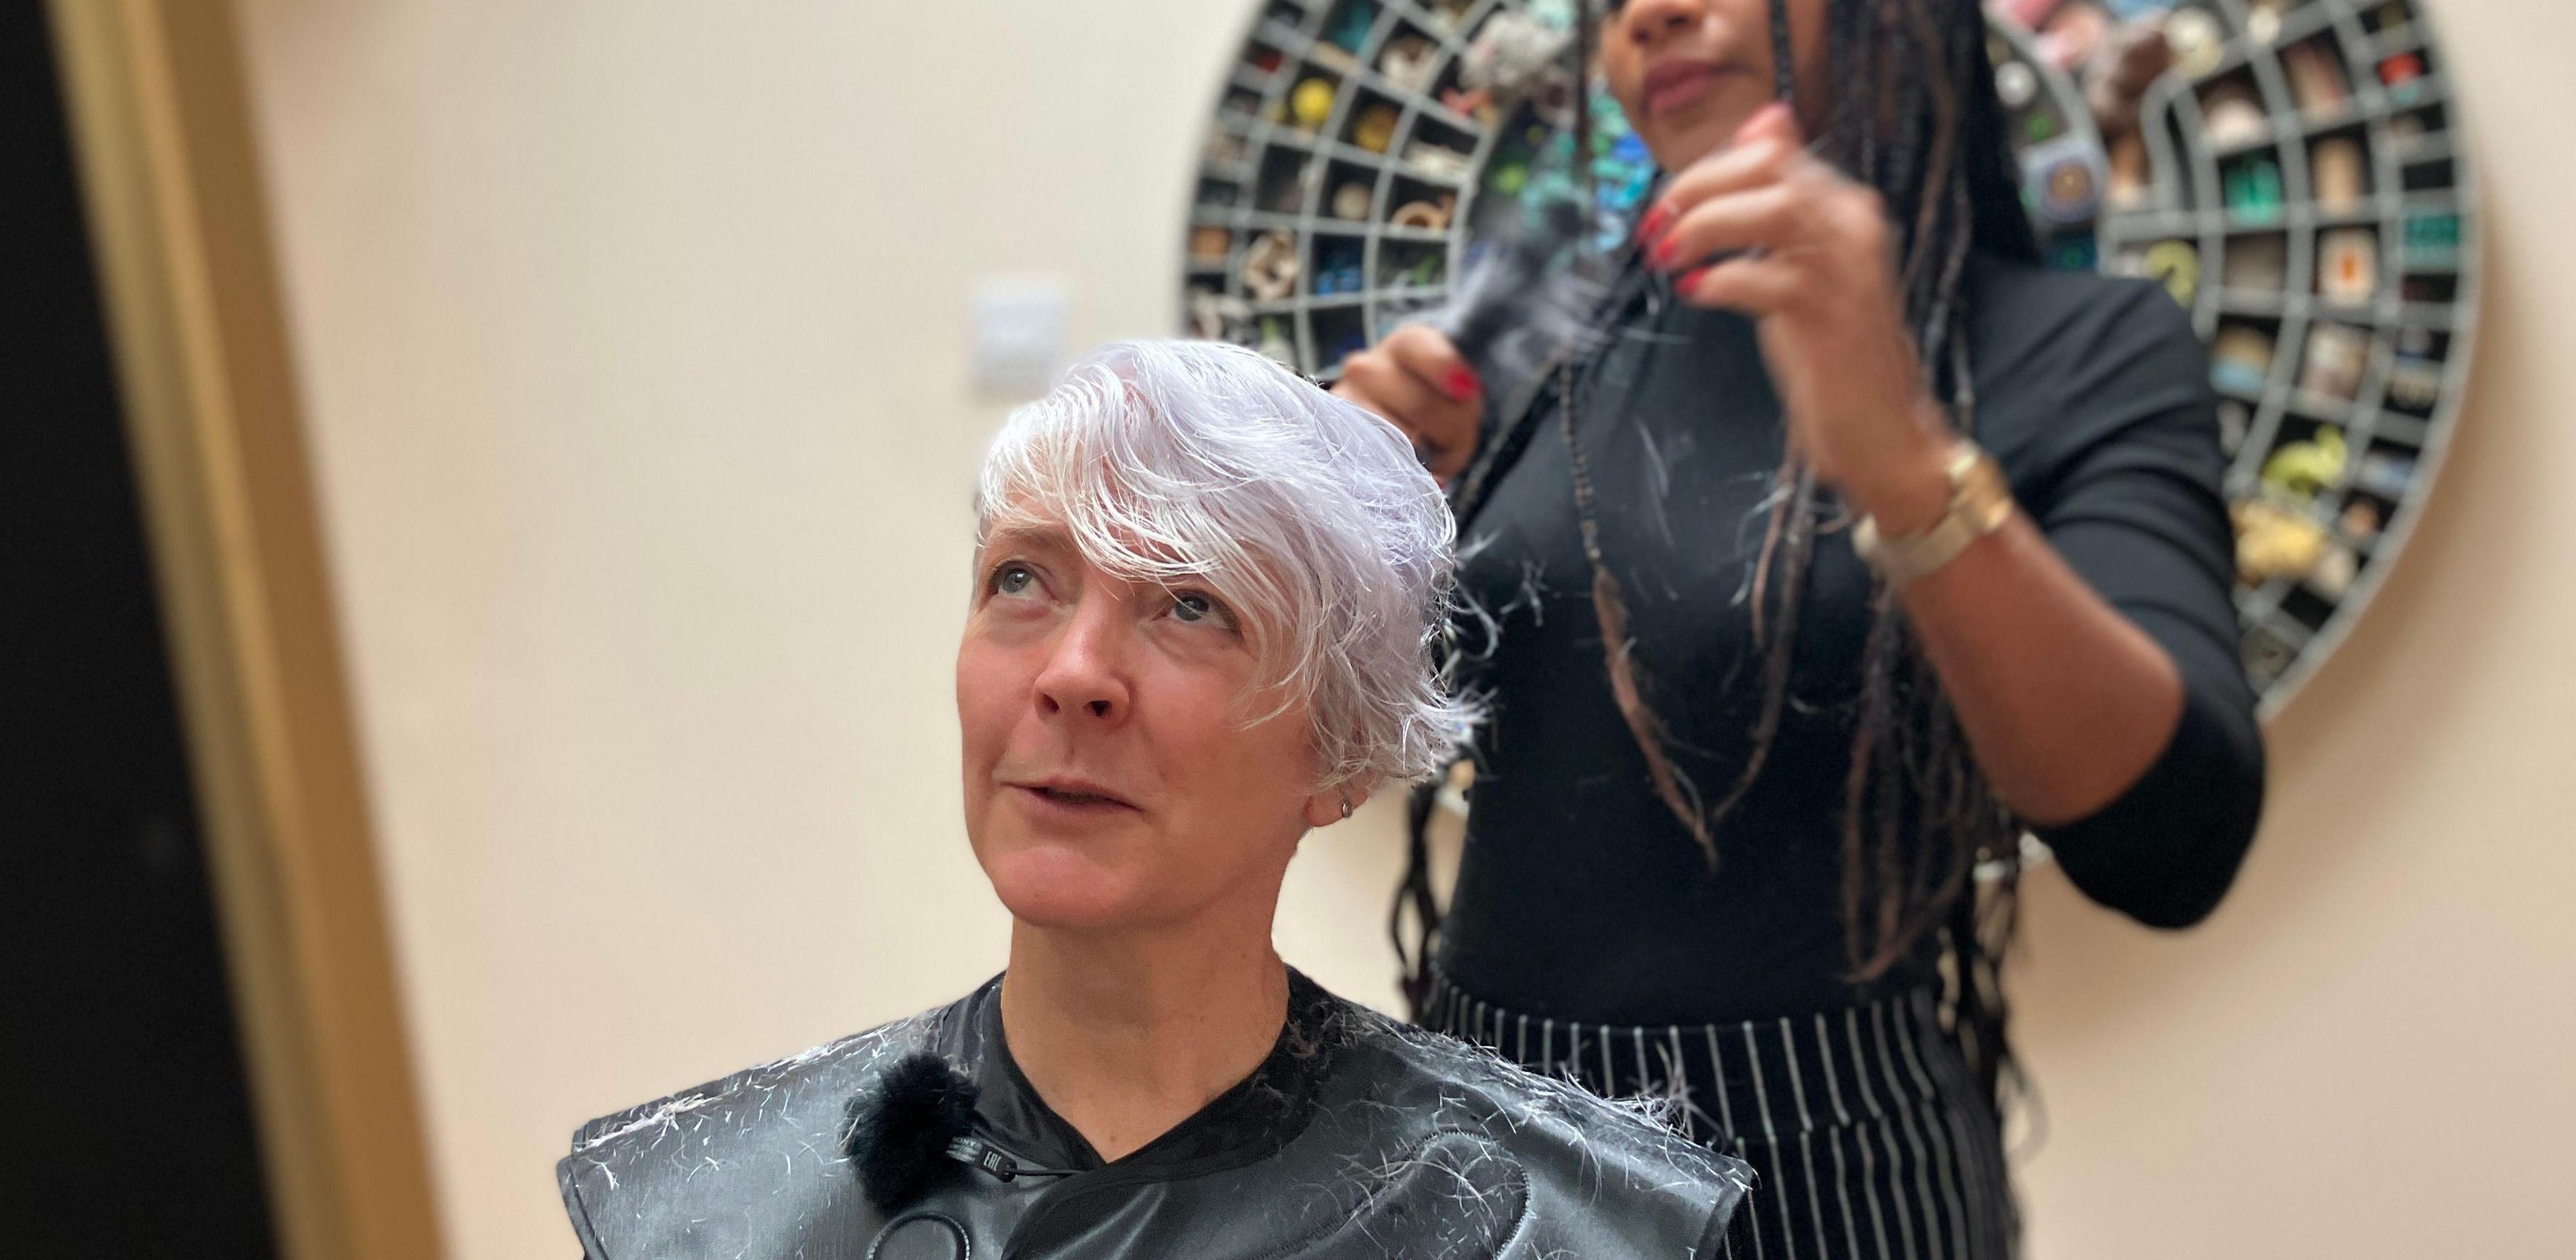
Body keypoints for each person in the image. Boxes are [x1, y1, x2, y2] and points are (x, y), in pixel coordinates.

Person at [1333, 0, 2265, 1260]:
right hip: (1474, 1139)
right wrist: (1348, 534)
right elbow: (1367, 743)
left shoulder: (2076, 350)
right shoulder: (1546, 333)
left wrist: (1901, 457)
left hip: (1834, 1171)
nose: (1655, 0)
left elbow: (2173, 843)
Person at [556, 340, 1751, 1259]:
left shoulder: (1560, 1223)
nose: (1073, 675)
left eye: (1192, 607)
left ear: (1340, 753)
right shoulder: (712, 1213)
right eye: (1022, 580)